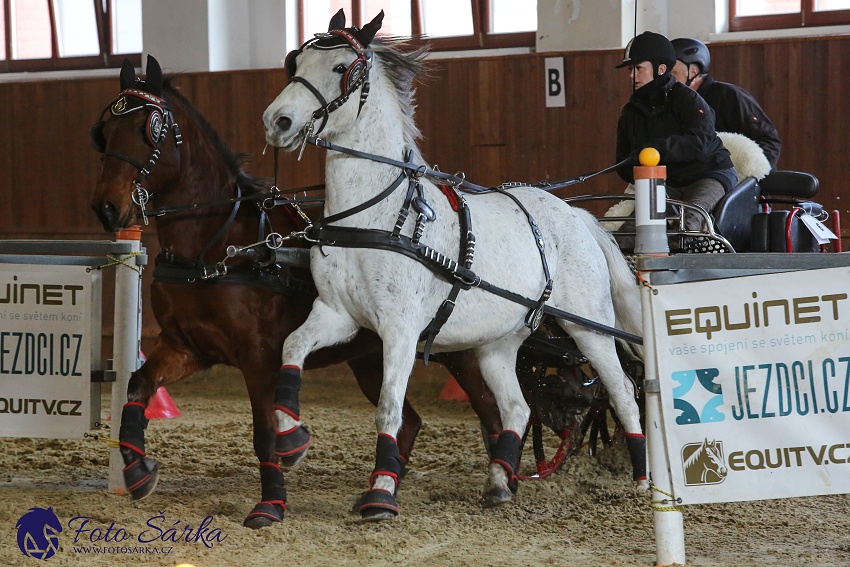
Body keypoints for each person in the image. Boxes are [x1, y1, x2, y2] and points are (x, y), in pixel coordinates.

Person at [615, 31, 738, 233]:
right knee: (631, 232)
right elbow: (623, 162)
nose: (631, 75)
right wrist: (639, 165)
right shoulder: (630, 113)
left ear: (661, 69)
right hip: (665, 182)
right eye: (630, 69)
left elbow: (701, 142)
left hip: (709, 174)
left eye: (638, 68)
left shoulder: (687, 99)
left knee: (689, 224)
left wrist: (657, 149)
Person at [671, 37, 781, 169]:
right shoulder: (671, 102)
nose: (667, 79)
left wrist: (749, 178)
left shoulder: (729, 96)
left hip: (736, 179)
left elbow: (768, 142)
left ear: (693, 71)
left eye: (673, 73)